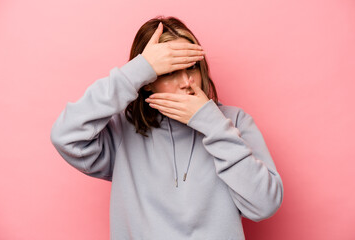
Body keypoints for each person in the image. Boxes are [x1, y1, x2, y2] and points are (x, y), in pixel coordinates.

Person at [50, 16, 284, 240]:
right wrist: (136, 71)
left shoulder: (234, 121)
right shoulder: (123, 130)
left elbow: (265, 204)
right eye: (170, 72)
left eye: (191, 68)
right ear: (148, 81)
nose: (186, 83)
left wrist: (213, 125)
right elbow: (65, 136)